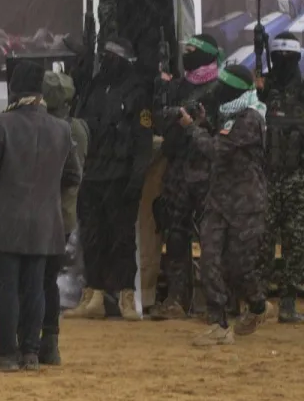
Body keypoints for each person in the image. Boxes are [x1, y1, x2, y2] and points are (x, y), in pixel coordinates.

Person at [0, 62, 82, 371]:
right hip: (45, 221)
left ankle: (7, 352)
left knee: (7, 287)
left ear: (14, 90)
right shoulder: (61, 128)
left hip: (6, 219)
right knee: (36, 286)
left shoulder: (2, 123)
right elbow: (73, 175)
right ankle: (31, 352)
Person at [188, 65, 270, 345]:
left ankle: (258, 306)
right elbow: (220, 139)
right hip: (219, 201)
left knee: (239, 267)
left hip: (245, 204)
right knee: (209, 258)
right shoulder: (229, 114)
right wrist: (204, 124)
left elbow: (216, 149)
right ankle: (218, 323)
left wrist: (191, 129)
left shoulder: (250, 118)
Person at [72, 37, 152, 321]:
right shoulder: (93, 87)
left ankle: (126, 295)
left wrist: (136, 179)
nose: (105, 60)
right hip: (92, 175)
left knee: (122, 239)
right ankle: (93, 295)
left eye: (111, 55)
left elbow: (143, 142)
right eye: (103, 54)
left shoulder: (136, 92)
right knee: (92, 237)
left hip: (120, 177)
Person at [149, 33, 223, 321]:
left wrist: (198, 123)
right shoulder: (179, 86)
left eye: (193, 50)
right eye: (186, 49)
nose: (187, 54)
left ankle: (218, 302)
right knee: (175, 233)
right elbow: (161, 118)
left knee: (212, 238)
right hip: (178, 168)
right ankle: (177, 299)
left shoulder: (220, 88)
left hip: (207, 170)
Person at [39, 68, 87, 365]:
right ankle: (50, 342)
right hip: (66, 215)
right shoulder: (77, 128)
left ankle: (34, 341)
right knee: (48, 280)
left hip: (41, 213)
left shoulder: (46, 129)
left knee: (36, 280)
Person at [260, 37, 304, 324]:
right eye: (278, 56)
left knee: (295, 241)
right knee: (261, 240)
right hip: (266, 177)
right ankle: (257, 302)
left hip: (296, 178)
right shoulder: (262, 90)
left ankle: (288, 303)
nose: (283, 62)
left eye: (288, 57)